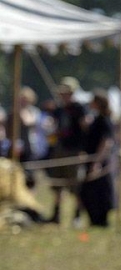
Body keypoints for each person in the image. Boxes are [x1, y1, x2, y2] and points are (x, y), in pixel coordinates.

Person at [46, 77, 86, 225]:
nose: (63, 95)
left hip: (73, 151)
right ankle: (55, 215)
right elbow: (55, 127)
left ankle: (77, 216)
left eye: (66, 93)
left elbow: (84, 129)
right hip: (60, 149)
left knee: (75, 186)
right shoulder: (59, 109)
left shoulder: (79, 109)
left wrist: (83, 150)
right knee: (57, 184)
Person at [78, 90, 116, 227]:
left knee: (99, 191)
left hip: (99, 161)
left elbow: (106, 142)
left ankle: (101, 220)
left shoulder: (104, 120)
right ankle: (94, 220)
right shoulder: (96, 119)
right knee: (88, 192)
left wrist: (97, 162)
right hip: (92, 160)